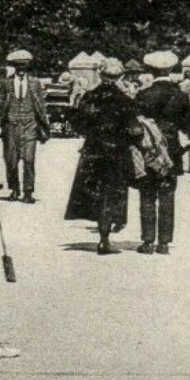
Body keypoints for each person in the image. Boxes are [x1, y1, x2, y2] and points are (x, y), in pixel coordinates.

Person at [66, 59, 140, 254]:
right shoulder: (125, 101)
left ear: (100, 74)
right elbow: (134, 130)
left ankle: (102, 234)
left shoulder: (90, 97)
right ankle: (105, 237)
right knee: (113, 192)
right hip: (117, 152)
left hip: (94, 150)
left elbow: (79, 126)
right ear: (120, 77)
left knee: (94, 191)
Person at [133, 51, 190, 254]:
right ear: (171, 70)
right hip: (171, 149)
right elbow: (189, 126)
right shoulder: (180, 96)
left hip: (149, 147)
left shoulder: (143, 94)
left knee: (147, 194)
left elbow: (136, 124)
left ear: (151, 70)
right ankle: (164, 242)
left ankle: (147, 241)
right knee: (167, 193)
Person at [0, 49, 51, 203]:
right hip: (11, 126)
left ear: (28, 68)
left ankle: (28, 191)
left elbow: (40, 105)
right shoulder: (5, 83)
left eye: (24, 67)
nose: (21, 71)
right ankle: (14, 189)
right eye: (18, 67)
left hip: (30, 125)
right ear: (14, 67)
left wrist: (43, 125)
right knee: (11, 160)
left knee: (29, 160)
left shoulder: (35, 83)